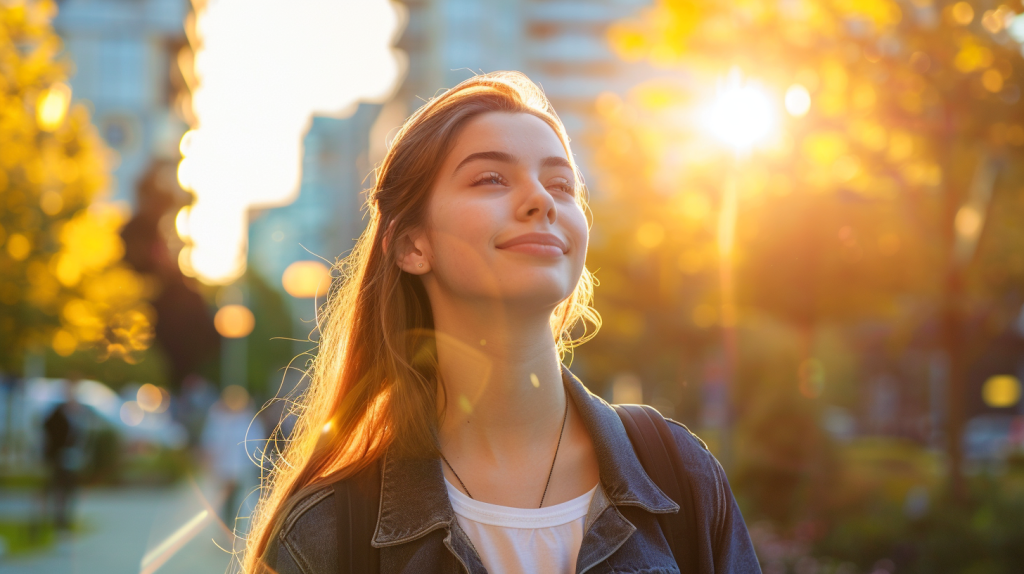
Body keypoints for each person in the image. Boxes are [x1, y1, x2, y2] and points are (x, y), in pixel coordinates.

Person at [247, 72, 760, 574]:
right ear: (410, 244)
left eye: (561, 184)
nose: (541, 200)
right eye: (491, 178)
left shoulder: (680, 476)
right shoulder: (326, 534)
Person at [201, 384, 266, 529]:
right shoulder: (218, 418)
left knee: (239, 502)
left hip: (241, 468)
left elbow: (255, 444)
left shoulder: (248, 419)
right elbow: (210, 442)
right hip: (223, 468)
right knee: (224, 501)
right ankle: (226, 528)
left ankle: (234, 529)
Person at [42, 374, 87, 531]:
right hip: (59, 456)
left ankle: (66, 518)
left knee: (70, 488)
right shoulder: (57, 412)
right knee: (58, 487)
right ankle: (58, 519)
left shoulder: (80, 411)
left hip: (73, 456)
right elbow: (48, 429)